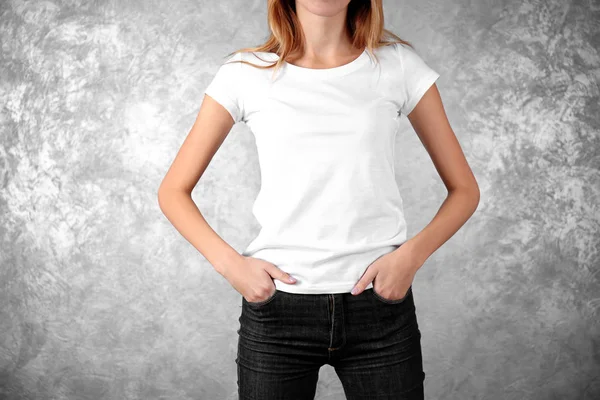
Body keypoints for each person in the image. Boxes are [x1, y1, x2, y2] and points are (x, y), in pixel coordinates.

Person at [158, 0, 480, 398]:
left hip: (378, 308)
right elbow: (173, 191)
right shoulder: (245, 74)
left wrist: (410, 258)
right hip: (278, 313)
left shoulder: (398, 66)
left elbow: (465, 190)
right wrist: (233, 268)